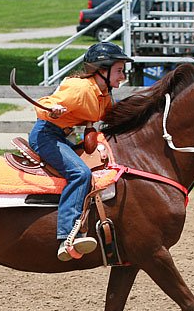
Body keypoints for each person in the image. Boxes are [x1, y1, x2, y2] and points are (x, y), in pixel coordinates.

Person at [28, 42, 132, 262]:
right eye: (119, 70)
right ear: (102, 70)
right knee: (80, 173)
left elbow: (113, 115)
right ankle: (68, 236)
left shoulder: (104, 94)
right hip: (46, 136)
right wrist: (53, 111)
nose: (123, 76)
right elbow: (42, 104)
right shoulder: (80, 88)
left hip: (61, 137)